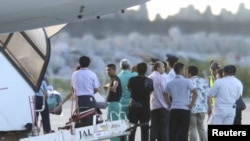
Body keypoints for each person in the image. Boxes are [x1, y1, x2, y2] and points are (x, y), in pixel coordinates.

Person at [165, 62, 197, 141]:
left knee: (172, 131)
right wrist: (191, 104)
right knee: (184, 132)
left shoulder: (170, 83)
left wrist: (169, 104)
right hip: (184, 109)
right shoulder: (187, 81)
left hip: (174, 109)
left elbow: (165, 94)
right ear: (182, 70)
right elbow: (195, 93)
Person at [127, 62, 154, 141]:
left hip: (133, 107)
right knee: (145, 129)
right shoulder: (149, 81)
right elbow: (150, 91)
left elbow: (128, 89)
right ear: (146, 70)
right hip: (145, 107)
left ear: (137, 69)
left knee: (132, 128)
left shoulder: (132, 80)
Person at [71, 56, 101, 124]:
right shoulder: (92, 74)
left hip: (79, 99)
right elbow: (96, 89)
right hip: (89, 98)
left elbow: (73, 88)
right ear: (89, 64)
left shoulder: (75, 74)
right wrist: (100, 99)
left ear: (79, 63)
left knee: (81, 118)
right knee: (90, 118)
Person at [148, 61, 170, 141]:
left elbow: (149, 91)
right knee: (164, 128)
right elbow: (165, 92)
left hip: (153, 106)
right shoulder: (161, 77)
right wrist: (169, 104)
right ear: (158, 68)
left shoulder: (149, 77)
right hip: (163, 106)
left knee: (153, 127)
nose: (164, 68)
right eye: (163, 67)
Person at [187, 65, 209, 141]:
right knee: (201, 128)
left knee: (192, 128)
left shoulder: (188, 81)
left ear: (189, 73)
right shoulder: (204, 81)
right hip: (202, 108)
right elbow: (207, 94)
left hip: (192, 107)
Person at [104, 63, 122, 141]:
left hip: (113, 105)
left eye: (109, 70)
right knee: (112, 124)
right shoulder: (112, 79)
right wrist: (107, 86)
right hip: (112, 105)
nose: (107, 72)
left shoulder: (115, 78)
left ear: (114, 70)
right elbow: (110, 84)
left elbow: (116, 83)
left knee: (113, 125)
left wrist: (114, 87)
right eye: (106, 70)